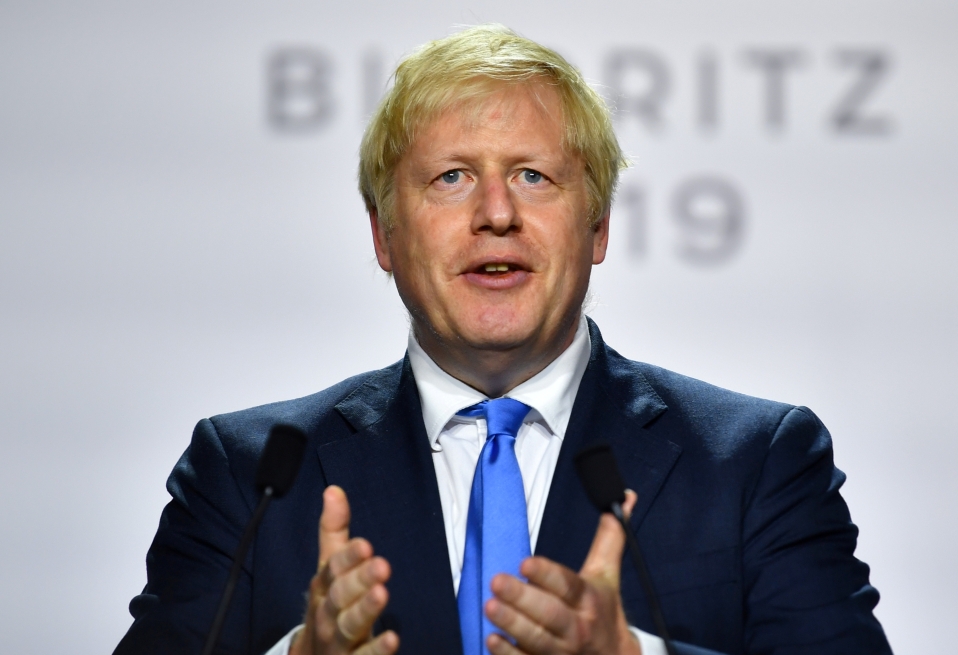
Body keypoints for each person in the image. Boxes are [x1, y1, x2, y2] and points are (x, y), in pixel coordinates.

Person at [114, 24, 892, 655]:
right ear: (384, 234)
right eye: (450, 176)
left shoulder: (757, 461)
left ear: (598, 228)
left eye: (533, 176)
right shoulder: (246, 476)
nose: (495, 213)